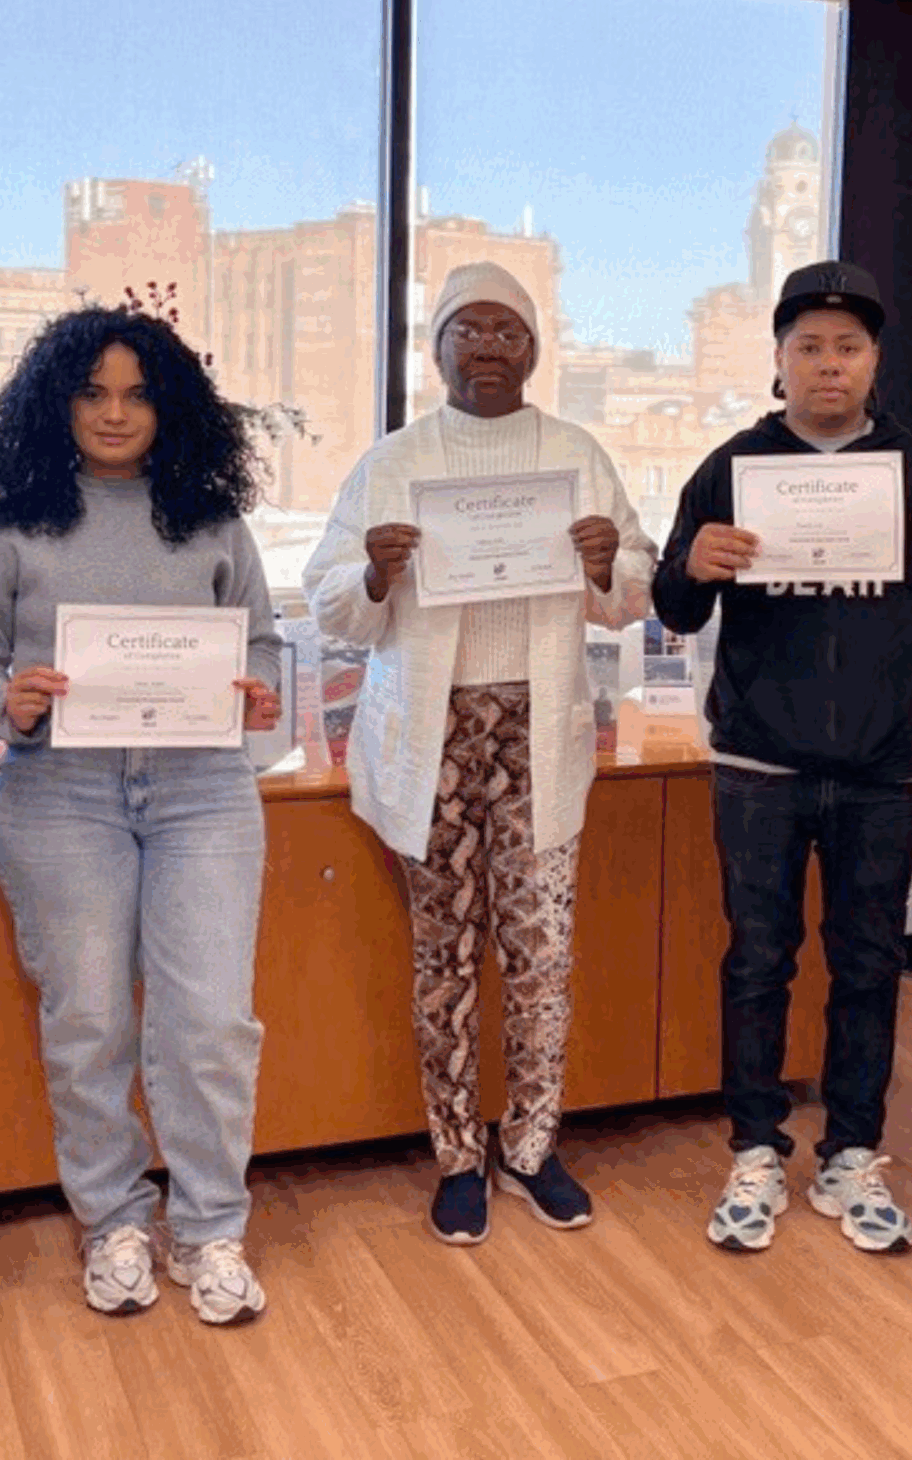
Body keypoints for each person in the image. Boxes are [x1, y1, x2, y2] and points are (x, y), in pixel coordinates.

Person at [0, 307, 284, 1321]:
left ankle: (211, 1230)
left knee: (210, 1022)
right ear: (58, 403)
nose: (116, 413)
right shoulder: (10, 526)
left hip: (201, 792)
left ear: (170, 404)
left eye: (137, 393)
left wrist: (254, 691)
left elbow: (260, 644)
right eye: (93, 392)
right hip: (60, 795)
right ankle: (113, 1219)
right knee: (87, 1019)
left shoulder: (213, 520)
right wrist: (10, 703)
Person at [304, 263, 653, 1245]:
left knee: (543, 955)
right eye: (470, 329)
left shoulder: (574, 453)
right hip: (433, 737)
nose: (490, 347)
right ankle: (458, 1154)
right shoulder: (394, 460)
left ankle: (532, 1148)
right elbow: (333, 607)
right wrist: (373, 569)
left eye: (509, 331)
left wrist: (602, 567)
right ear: (438, 347)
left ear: (535, 349)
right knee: (444, 959)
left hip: (537, 733)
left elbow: (636, 588)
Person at [652, 259, 912, 1255]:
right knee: (757, 961)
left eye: (847, 347)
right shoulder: (728, 468)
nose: (828, 365)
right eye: (809, 347)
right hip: (757, 766)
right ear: (780, 360)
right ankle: (755, 1145)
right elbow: (674, 610)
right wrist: (691, 565)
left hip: (880, 770)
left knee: (868, 966)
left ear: (874, 360)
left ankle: (852, 1150)